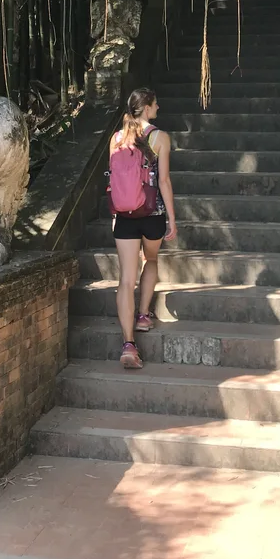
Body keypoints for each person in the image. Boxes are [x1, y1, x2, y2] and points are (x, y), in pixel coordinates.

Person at [109, 87, 177, 369]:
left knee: (126, 279)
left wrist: (115, 214)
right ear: (147, 107)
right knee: (151, 259)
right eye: (156, 104)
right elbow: (163, 182)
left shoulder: (116, 138)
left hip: (124, 215)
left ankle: (128, 344)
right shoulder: (160, 138)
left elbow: (113, 180)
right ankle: (144, 315)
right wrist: (172, 218)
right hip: (152, 213)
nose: (158, 108)